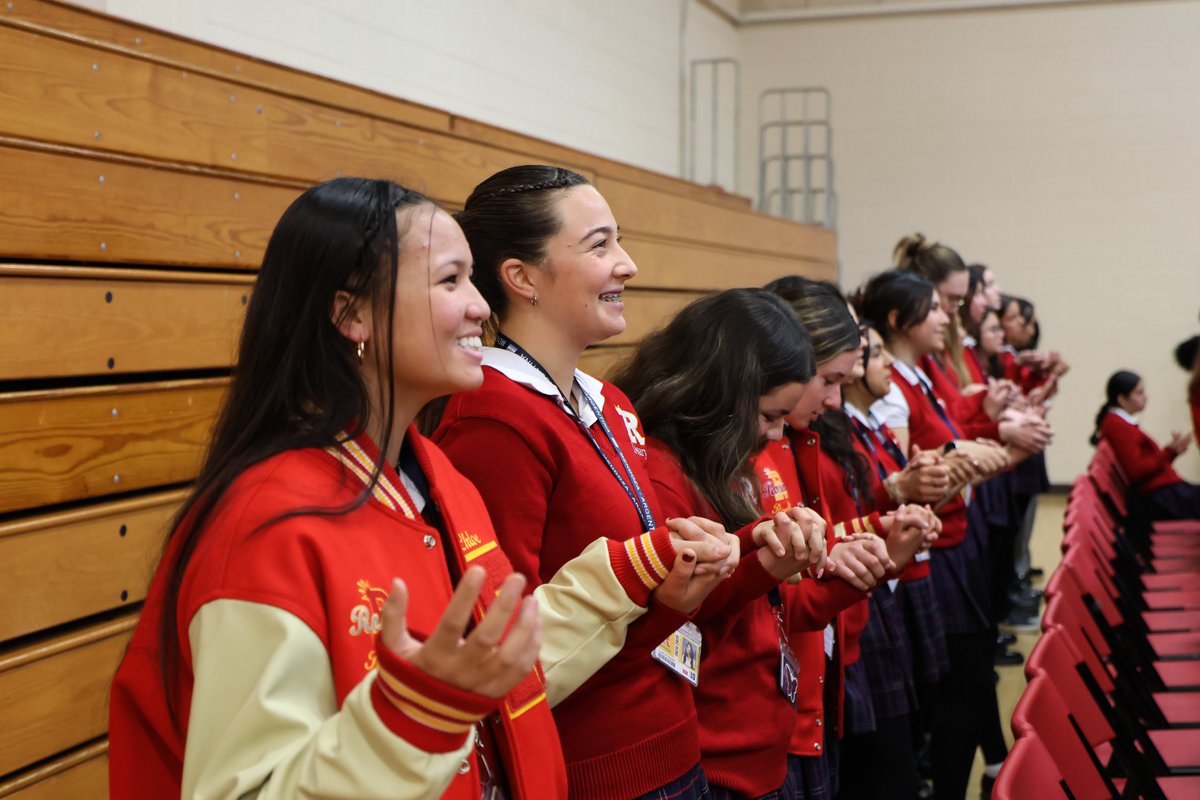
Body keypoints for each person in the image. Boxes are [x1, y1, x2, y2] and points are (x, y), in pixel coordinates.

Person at [107, 177, 734, 799]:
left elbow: (499, 668)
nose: (481, 307)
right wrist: (418, 712)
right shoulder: (268, 525)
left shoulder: (434, 476)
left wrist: (627, 574)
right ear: (352, 314)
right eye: (448, 281)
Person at [434, 164, 749, 800]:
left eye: (618, 240)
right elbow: (509, 647)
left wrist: (751, 557)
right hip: (591, 771)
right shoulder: (493, 419)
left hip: (672, 740)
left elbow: (639, 596)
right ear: (522, 279)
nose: (627, 264)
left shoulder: (610, 403)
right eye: (599, 245)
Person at [614, 288, 861, 800]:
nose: (775, 436)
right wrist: (765, 562)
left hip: (755, 741)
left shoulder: (720, 462)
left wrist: (775, 553)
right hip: (718, 753)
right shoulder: (664, 475)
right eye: (770, 416)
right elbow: (681, 622)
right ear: (720, 395)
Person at [767, 277, 938, 800]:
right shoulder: (766, 444)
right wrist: (877, 539)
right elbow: (780, 583)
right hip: (784, 689)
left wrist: (879, 529)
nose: (836, 398)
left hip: (832, 645)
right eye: (830, 380)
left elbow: (826, 536)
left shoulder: (805, 432)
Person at [857, 269, 1014, 799]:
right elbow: (904, 474)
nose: (948, 316)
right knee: (953, 690)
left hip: (940, 541)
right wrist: (972, 454)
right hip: (929, 551)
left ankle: (988, 764)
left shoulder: (918, 370)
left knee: (958, 685)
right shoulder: (893, 386)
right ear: (900, 320)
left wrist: (983, 433)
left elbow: (945, 435)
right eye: (936, 308)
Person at [1091, 370, 1199, 520]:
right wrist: (1169, 452)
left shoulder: (1119, 423)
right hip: (1162, 497)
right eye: (1139, 393)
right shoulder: (1118, 426)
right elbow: (1137, 471)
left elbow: (1146, 463)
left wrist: (1173, 452)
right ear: (1122, 399)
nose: (1145, 397)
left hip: (1165, 491)